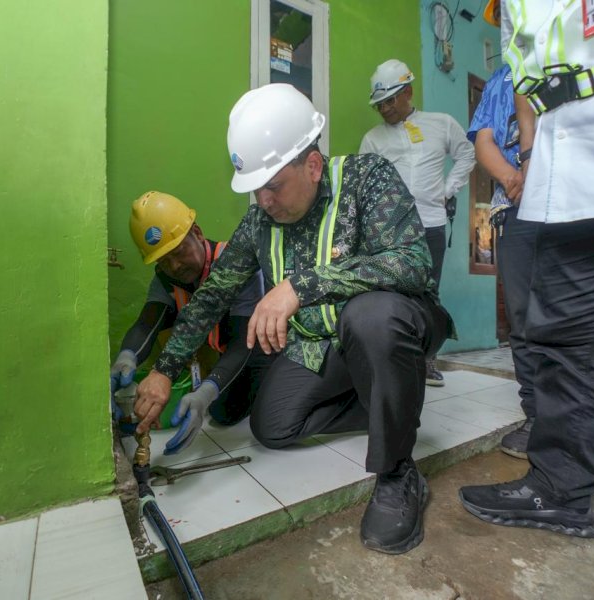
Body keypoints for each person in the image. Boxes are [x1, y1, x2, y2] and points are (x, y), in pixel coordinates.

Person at [134, 83, 452, 554]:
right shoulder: (260, 221)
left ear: (313, 165)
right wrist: (164, 370)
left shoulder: (367, 179)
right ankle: (390, 400)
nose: (264, 200)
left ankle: (397, 471)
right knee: (272, 426)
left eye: (273, 186)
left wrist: (301, 286)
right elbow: (211, 297)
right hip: (323, 345)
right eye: (256, 189)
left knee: (370, 315)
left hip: (394, 325)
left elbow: (413, 262)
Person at [457, 2, 594, 596]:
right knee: (570, 339)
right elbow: (529, 76)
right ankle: (559, 486)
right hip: (572, 170)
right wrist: (532, 159)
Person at [110, 191, 272, 455]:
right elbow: (146, 323)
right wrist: (125, 359)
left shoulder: (234, 263)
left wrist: (207, 392)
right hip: (232, 355)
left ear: (196, 233)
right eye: (164, 261)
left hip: (263, 351)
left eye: (179, 250)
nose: (175, 265)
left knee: (262, 418)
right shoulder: (167, 280)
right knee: (223, 412)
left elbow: (245, 343)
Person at [359, 59, 475, 387]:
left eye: (389, 100)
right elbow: (364, 183)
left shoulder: (441, 124)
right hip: (390, 229)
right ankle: (390, 360)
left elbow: (466, 154)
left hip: (431, 223)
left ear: (408, 91)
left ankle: (426, 360)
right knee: (390, 291)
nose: (383, 108)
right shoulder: (372, 139)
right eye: (378, 103)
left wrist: (448, 189)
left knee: (428, 293)